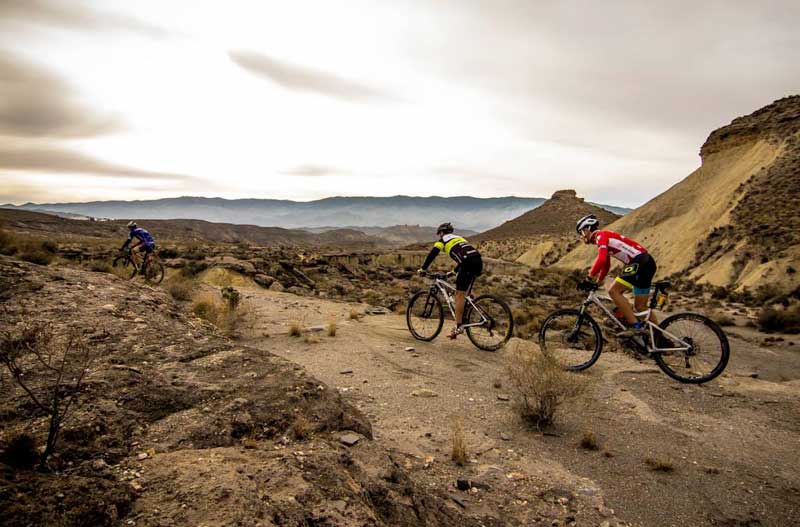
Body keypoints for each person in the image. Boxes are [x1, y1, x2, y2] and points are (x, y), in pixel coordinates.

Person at [576, 214, 657, 336]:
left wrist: (589, 278)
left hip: (638, 261)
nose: (582, 236)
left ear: (587, 229)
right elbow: (606, 266)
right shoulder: (605, 236)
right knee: (640, 306)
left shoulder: (600, 236)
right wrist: (597, 283)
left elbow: (601, 260)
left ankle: (635, 326)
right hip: (647, 262)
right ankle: (660, 338)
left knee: (613, 291)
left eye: (581, 233)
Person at [418, 222, 483, 339]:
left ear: (441, 233)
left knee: (459, 294)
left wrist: (423, 268)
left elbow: (432, 254)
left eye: (439, 234)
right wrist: (453, 272)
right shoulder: (460, 238)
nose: (439, 236)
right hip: (478, 261)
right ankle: (465, 315)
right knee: (465, 295)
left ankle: (458, 326)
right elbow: (464, 256)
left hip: (467, 264)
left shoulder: (442, 241)